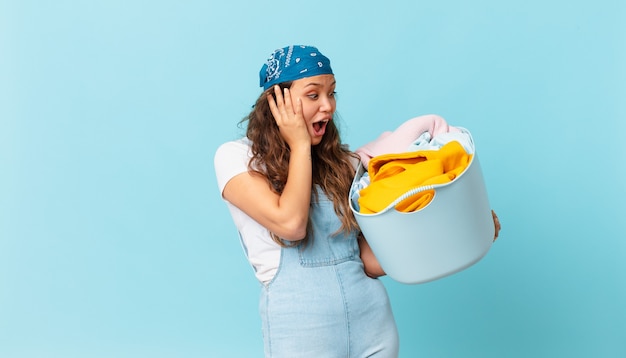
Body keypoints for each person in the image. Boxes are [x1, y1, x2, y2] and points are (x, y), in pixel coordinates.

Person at [214, 45, 501, 357]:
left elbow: (366, 259)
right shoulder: (238, 158)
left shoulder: (345, 166)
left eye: (332, 93)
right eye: (313, 95)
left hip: (373, 328)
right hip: (301, 335)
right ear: (277, 102)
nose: (328, 106)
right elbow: (291, 224)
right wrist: (299, 145)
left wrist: (462, 231)